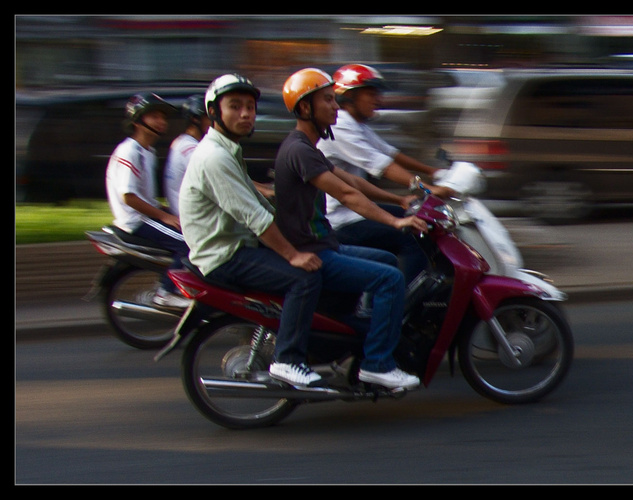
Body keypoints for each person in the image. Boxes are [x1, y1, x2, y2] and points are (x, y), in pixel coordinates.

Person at [274, 67, 430, 390]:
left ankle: (364, 333)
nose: (335, 106)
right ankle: (377, 363)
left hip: (325, 243)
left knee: (385, 261)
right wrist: (395, 221)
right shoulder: (300, 151)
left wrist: (398, 199)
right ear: (305, 108)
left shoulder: (309, 148)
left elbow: (353, 181)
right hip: (314, 250)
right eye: (328, 100)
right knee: (391, 279)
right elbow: (346, 194)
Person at [179, 73, 327, 388]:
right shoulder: (214, 157)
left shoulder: (226, 149)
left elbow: (258, 199)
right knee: (305, 277)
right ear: (214, 112)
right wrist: (293, 254)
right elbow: (255, 217)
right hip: (225, 256)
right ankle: (289, 360)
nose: (246, 114)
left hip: (232, 246)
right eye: (235, 107)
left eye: (250, 107)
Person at [318, 63, 453, 283]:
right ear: (349, 97)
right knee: (413, 237)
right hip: (340, 219)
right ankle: (403, 305)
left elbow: (390, 154)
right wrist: (426, 187)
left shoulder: (356, 124)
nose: (377, 100)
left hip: (356, 209)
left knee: (424, 221)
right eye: (370, 94)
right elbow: (382, 166)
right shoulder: (340, 127)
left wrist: (432, 171)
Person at [105, 92, 191, 308]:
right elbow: (129, 196)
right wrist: (163, 216)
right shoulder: (130, 151)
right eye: (154, 116)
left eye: (163, 117)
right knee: (189, 242)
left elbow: (144, 197)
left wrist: (166, 212)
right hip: (136, 222)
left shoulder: (147, 151)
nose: (161, 122)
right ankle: (166, 292)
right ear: (138, 120)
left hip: (146, 217)